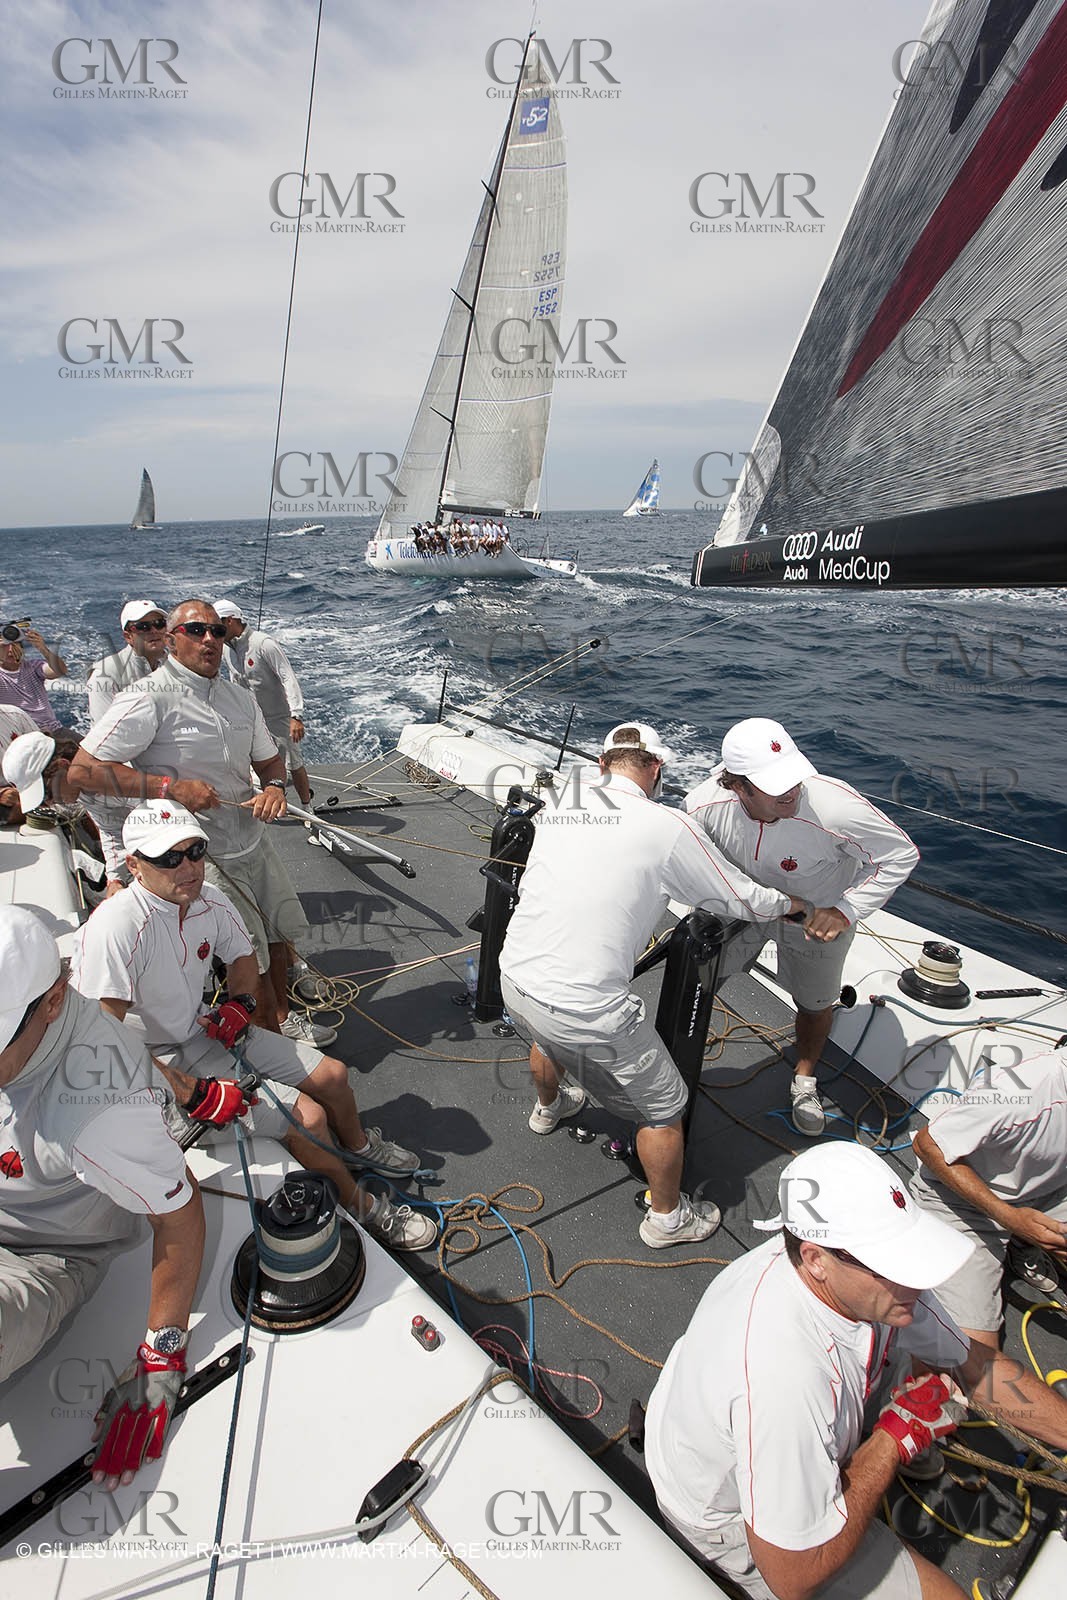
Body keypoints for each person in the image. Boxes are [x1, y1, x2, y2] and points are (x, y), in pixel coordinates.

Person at [644, 1142, 1067, 1600]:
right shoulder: (785, 1379)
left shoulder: (867, 1281)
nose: (916, 1281)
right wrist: (893, 1439)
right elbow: (794, 1576)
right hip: (726, 1519)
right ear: (816, 1259)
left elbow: (976, 1368)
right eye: (892, 1264)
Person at [70, 801, 437, 1251]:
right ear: (134, 865)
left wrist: (240, 1004)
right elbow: (98, 1036)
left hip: (202, 1031)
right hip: (153, 1066)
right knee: (310, 1117)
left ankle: (359, 1149)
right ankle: (362, 1206)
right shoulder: (116, 928)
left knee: (334, 1076)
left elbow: (242, 956)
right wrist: (191, 1092)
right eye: (169, 858)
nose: (187, 867)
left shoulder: (208, 900)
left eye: (195, 851)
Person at [498, 721, 805, 1249]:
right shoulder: (668, 824)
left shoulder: (565, 799)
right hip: (585, 1008)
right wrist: (796, 905)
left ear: (601, 764)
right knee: (665, 1107)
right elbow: (741, 899)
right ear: (657, 769)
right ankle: (667, 1219)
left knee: (544, 1037)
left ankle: (549, 1109)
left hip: (515, 979)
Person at [0, 904, 205, 1491]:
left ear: (54, 1002)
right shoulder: (29, 1019)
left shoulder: (98, 1116)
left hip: (40, 1251)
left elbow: (180, 1212)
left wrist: (162, 1356)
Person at [68, 599, 329, 1044]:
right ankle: (271, 1039)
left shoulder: (239, 698)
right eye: (195, 631)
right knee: (247, 953)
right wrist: (170, 789)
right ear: (171, 640)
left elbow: (269, 762)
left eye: (216, 631)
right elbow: (83, 771)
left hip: (253, 842)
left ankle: (284, 1014)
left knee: (281, 932)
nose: (208, 639)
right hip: (201, 856)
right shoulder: (145, 698)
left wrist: (273, 789)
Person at [686, 718, 919, 1136]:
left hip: (815, 918)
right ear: (737, 786)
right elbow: (693, 861)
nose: (791, 791)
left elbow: (899, 855)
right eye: (775, 786)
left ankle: (805, 1078)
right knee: (699, 981)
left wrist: (846, 910)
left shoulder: (836, 808)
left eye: (793, 777)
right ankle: (682, 1059)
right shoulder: (702, 806)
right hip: (742, 909)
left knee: (815, 1003)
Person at [911, 1047, 1067, 1351]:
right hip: (960, 1205)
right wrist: (1011, 1219)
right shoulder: (1018, 1089)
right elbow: (928, 1145)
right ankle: (1021, 1237)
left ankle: (1023, 1243)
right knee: (970, 1354)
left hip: (1046, 1190)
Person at [212, 599, 314, 807]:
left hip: (278, 717)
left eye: (216, 626)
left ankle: (307, 807)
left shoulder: (263, 644)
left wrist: (296, 716)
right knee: (248, 761)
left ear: (230, 621)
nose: (213, 633)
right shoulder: (225, 649)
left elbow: (288, 678)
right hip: (249, 717)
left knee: (293, 763)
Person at [86, 600, 169, 722]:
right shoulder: (104, 676)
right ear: (128, 636)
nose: (154, 631)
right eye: (143, 627)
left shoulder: (177, 663)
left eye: (159, 624)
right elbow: (106, 731)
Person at [0, 622, 77, 739]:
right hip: (23, 736)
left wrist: (43, 648)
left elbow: (60, 670)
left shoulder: (34, 667)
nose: (10, 650)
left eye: (15, 646)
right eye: (5, 646)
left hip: (53, 730)